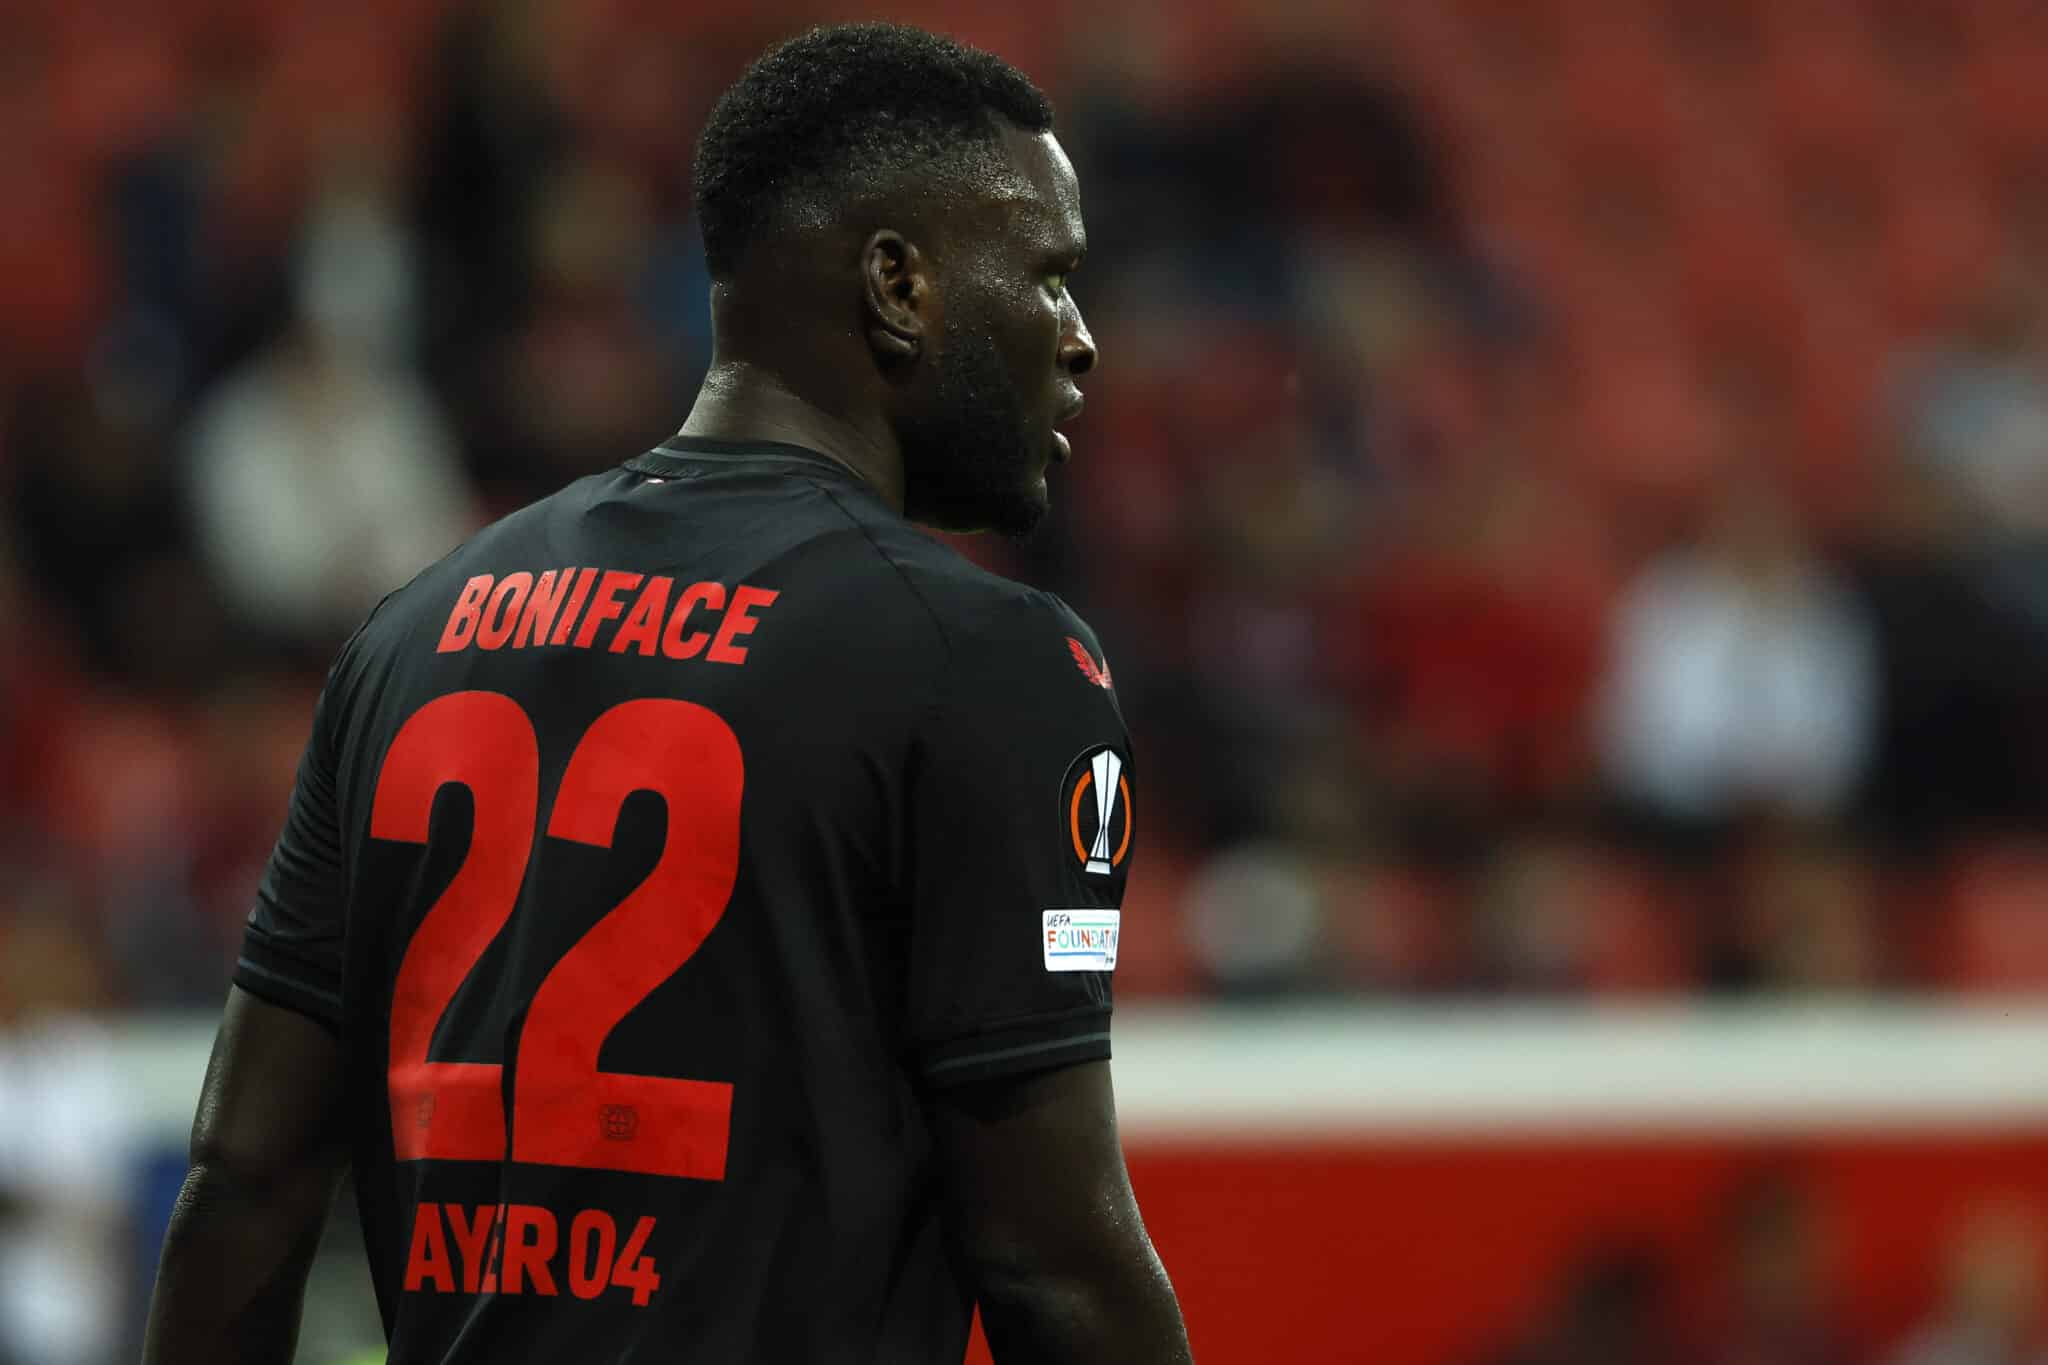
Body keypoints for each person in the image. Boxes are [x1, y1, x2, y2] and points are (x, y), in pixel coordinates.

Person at [144, 23, 1191, 1365]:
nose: (1081, 339)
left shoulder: (413, 631)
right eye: (1047, 277)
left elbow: (244, 1177)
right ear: (899, 285)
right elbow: (1058, 1270)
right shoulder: (986, 663)